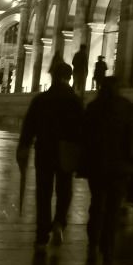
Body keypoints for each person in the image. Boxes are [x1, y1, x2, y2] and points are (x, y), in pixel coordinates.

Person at [78, 76, 133, 263]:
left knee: (97, 204)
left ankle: (93, 242)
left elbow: (83, 137)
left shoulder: (93, 108)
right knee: (113, 208)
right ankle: (107, 247)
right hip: (120, 167)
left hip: (97, 166)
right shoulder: (127, 108)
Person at [17, 62, 84, 248]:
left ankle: (41, 234)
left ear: (53, 77)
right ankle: (59, 223)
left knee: (43, 192)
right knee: (65, 190)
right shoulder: (75, 101)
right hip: (67, 151)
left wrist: (23, 145)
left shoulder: (41, 99)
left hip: (44, 150)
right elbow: (82, 129)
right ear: (69, 77)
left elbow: (29, 126)